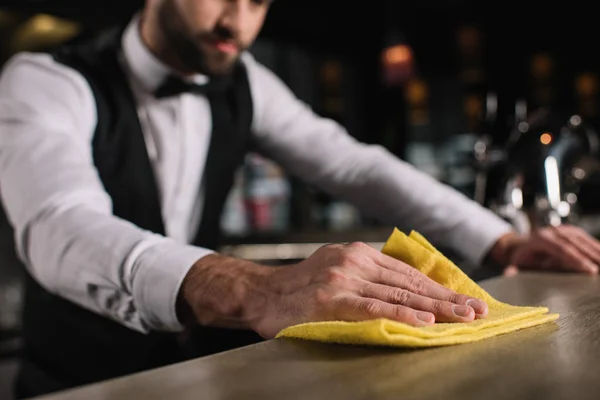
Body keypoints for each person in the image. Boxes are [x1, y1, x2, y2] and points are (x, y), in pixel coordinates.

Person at [0, 0, 599, 397]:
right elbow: (59, 221)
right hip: (72, 381)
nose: (239, 23)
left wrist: (502, 239)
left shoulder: (246, 81)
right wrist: (251, 286)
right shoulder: (47, 78)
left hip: (187, 376)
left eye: (257, 1)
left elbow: (354, 165)